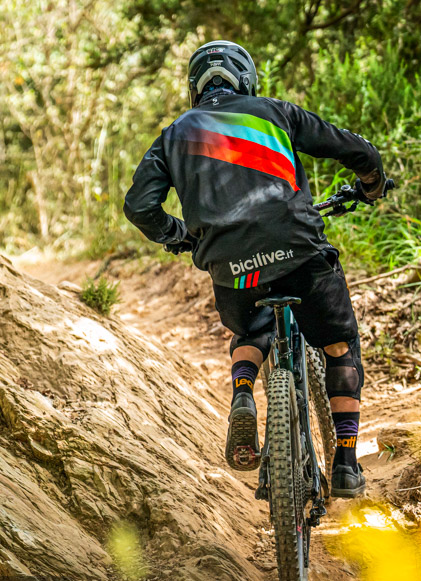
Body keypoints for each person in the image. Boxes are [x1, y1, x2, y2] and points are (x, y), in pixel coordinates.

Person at [123, 40, 387, 498]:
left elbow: (139, 207)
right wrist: (371, 184)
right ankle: (346, 462)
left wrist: (179, 234)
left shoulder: (174, 135)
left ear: (194, 88)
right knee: (340, 346)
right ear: (247, 78)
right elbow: (356, 150)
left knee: (250, 329)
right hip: (299, 253)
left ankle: (243, 391)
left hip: (233, 270)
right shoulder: (275, 112)